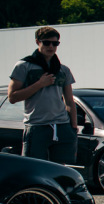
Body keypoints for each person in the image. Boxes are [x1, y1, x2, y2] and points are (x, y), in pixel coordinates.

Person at [7, 26, 78, 164]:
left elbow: (69, 101)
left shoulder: (63, 69)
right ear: (37, 42)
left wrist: (73, 127)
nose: (51, 46)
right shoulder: (24, 65)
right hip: (37, 126)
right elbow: (12, 97)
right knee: (33, 169)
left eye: (55, 43)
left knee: (61, 170)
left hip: (62, 126)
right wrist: (39, 84)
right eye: (46, 42)